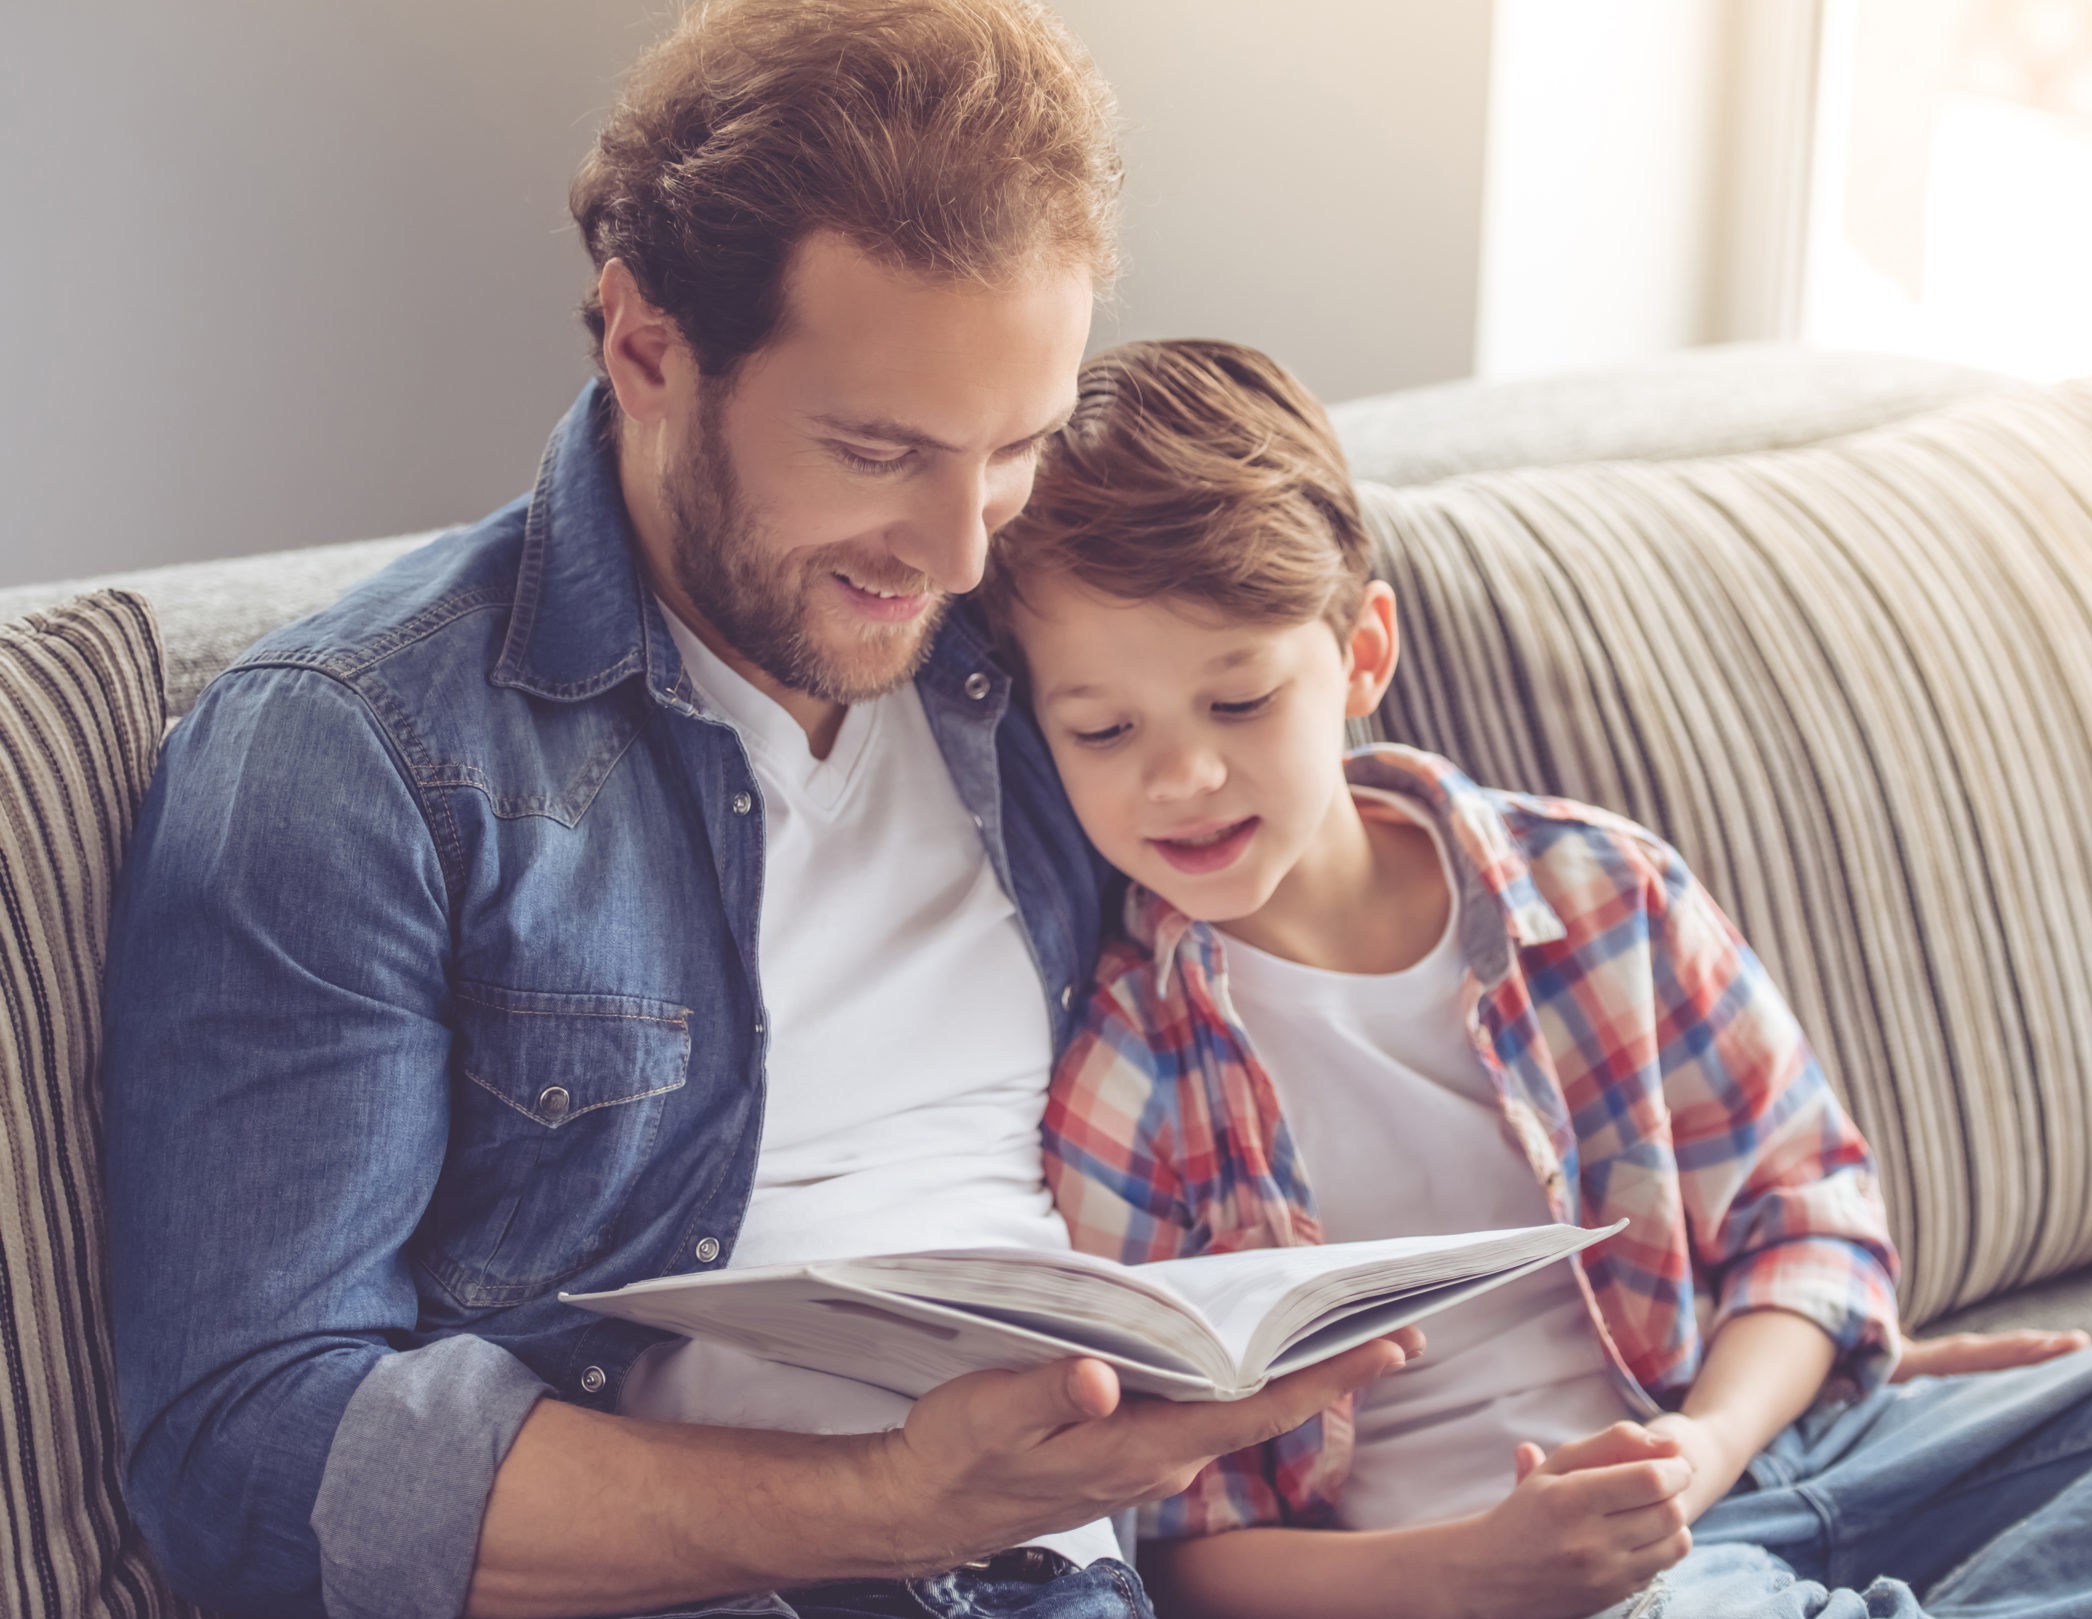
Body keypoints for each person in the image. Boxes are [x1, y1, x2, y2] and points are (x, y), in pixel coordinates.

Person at [98, 8, 1425, 1618]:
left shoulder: (1039, 667)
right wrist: (884, 1505)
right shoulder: (354, 755)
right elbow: (249, 1453)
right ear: (644, 346)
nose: (955, 556)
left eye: (1015, 449)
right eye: (878, 451)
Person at [992, 338, 2092, 1619]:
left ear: (1361, 651)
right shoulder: (1129, 1081)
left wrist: (1713, 1445)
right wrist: (1471, 1573)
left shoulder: (1596, 893)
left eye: (1239, 696)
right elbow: (1166, 1544)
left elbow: (1815, 1229)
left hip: (1793, 1456)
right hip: (1550, 1587)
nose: (1182, 775)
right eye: (1103, 731)